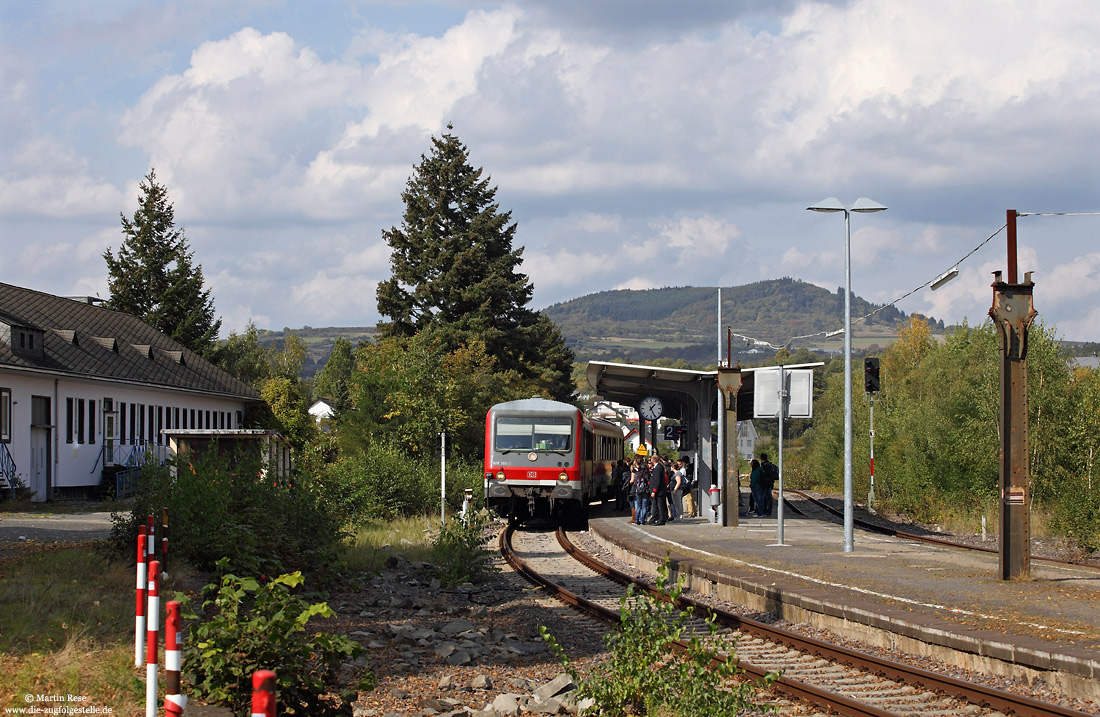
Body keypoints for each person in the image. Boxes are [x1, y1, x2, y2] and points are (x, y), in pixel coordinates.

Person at [648, 455, 669, 525]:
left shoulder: (658, 468)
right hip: (659, 491)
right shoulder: (658, 467)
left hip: (659, 491)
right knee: (658, 505)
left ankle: (661, 520)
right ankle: (656, 518)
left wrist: (654, 490)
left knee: (660, 506)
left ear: (653, 460)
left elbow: (657, 480)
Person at [632, 458, 649, 525]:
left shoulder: (637, 474)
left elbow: (634, 482)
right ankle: (642, 520)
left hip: (638, 491)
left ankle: (636, 520)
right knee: (644, 506)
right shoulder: (646, 474)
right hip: (645, 490)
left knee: (638, 506)